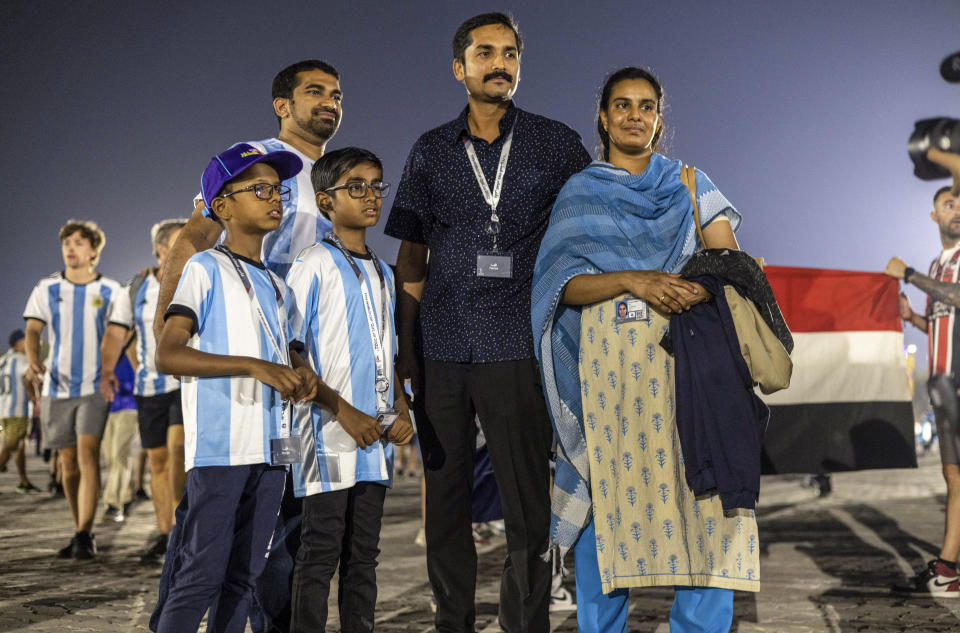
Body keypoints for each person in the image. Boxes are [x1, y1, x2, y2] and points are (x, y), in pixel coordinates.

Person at [532, 67, 758, 633]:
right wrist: (636, 279)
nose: (635, 115)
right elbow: (561, 286)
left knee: (706, 500)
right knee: (607, 500)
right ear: (604, 117)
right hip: (611, 370)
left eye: (647, 106)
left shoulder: (689, 182)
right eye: (623, 105)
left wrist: (700, 283)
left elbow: (728, 263)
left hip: (690, 363)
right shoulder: (581, 191)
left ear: (660, 119)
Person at [386, 12, 590, 632]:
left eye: (509, 54)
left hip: (518, 346)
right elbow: (412, 255)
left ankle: (522, 623)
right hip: (442, 346)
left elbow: (591, 227)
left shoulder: (557, 143)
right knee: (445, 508)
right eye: (484, 53)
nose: (498, 63)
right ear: (460, 68)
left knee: (528, 507)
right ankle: (453, 622)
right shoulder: (429, 149)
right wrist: (405, 346)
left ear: (519, 65)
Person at [152, 61, 343, 632]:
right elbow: (194, 237)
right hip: (233, 391)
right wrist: (169, 331)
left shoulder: (332, 175)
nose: (329, 102)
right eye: (314, 92)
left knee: (274, 542)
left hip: (288, 384)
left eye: (336, 94)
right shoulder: (253, 157)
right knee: (206, 556)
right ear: (282, 104)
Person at [286, 146, 414, 632]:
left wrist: (401, 408)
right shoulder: (312, 262)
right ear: (325, 201)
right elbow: (292, 354)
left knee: (364, 558)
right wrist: (343, 412)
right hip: (328, 434)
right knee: (319, 553)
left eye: (377, 185)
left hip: (374, 440)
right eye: (355, 186)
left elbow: (390, 353)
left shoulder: (384, 273)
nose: (370, 196)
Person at [23, 220, 121, 559]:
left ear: (94, 250)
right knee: (68, 464)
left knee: (87, 454)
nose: (71, 247)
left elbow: (121, 334)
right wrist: (34, 360)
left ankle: (85, 532)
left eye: (79, 242)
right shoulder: (47, 288)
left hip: (94, 387)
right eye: (67, 241)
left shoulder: (110, 290)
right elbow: (33, 330)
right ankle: (78, 524)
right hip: (56, 387)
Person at [885, 185, 960, 597]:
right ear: (934, 216)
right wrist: (911, 314)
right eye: (948, 204)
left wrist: (911, 276)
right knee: (954, 478)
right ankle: (948, 569)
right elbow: (939, 324)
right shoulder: (939, 263)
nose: (957, 211)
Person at [101, 218, 187, 563]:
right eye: (183, 241)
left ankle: (182, 532)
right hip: (149, 387)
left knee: (178, 450)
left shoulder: (197, 278)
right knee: (158, 462)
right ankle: (165, 532)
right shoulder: (136, 287)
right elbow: (117, 332)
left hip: (185, 384)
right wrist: (108, 369)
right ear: (162, 249)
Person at [99, 352, 138, 521]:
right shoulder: (108, 351)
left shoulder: (132, 347)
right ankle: (127, 495)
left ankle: (113, 504)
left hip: (129, 406)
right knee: (109, 457)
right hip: (109, 407)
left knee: (119, 454)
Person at [0, 329, 39, 493]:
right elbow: (28, 379)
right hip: (17, 409)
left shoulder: (3, 360)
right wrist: (35, 399)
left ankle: (24, 481)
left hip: (4, 408)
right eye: (25, 341)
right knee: (13, 444)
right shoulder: (23, 360)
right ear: (19, 343)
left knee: (20, 447)